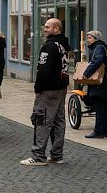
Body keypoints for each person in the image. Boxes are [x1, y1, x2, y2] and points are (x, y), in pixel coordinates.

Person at [21, 19, 71, 165]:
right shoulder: (63, 45)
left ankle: (38, 156)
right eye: (45, 26)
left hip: (49, 89)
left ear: (57, 29)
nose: (45, 29)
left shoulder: (49, 46)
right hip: (61, 87)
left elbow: (44, 70)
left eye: (48, 27)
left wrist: (38, 87)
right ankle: (57, 154)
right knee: (58, 121)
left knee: (41, 119)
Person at [83, 30, 107, 139]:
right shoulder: (101, 47)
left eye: (90, 38)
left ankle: (98, 132)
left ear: (96, 39)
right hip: (103, 81)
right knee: (103, 108)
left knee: (100, 107)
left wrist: (86, 73)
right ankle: (104, 131)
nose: (88, 40)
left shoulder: (98, 48)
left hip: (99, 82)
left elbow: (98, 61)